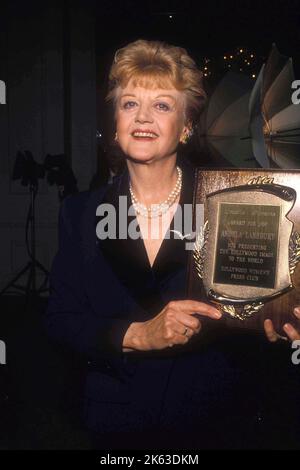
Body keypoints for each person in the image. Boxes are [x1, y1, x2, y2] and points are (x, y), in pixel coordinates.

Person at [45, 39, 300, 450]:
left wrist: (279, 318)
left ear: (185, 126)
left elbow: (253, 305)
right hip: (114, 417)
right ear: (115, 121)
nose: (142, 117)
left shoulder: (231, 205)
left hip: (212, 417)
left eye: (162, 105)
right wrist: (137, 335)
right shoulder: (79, 213)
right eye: (129, 104)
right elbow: (59, 319)